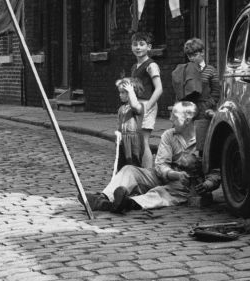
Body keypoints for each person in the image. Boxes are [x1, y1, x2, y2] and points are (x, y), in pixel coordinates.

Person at [88, 101, 220, 212]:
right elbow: (161, 165)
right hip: (165, 175)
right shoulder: (169, 135)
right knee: (129, 170)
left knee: (160, 194)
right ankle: (103, 198)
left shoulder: (206, 139)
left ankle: (127, 203)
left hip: (184, 186)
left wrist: (208, 184)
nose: (170, 119)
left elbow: (217, 170)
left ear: (187, 120)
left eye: (174, 116)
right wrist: (174, 174)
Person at [171, 37, 222, 152]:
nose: (192, 58)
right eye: (189, 56)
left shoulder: (210, 70)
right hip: (187, 109)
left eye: (194, 54)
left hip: (203, 109)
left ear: (202, 53)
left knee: (201, 142)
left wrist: (207, 106)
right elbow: (180, 90)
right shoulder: (184, 69)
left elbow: (216, 93)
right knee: (184, 142)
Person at [129, 31, 163, 153]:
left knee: (144, 141)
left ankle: (147, 170)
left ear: (149, 47)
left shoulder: (151, 65)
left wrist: (147, 107)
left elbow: (159, 89)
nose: (138, 47)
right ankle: (139, 168)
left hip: (146, 104)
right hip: (136, 105)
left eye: (142, 44)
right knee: (136, 141)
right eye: (135, 44)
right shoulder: (134, 67)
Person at [113, 77, 151, 173]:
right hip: (123, 139)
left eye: (123, 92)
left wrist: (130, 91)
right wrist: (118, 133)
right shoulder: (122, 108)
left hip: (134, 140)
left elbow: (134, 105)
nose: (120, 95)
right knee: (121, 165)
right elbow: (119, 123)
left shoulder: (139, 105)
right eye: (119, 92)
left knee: (134, 163)